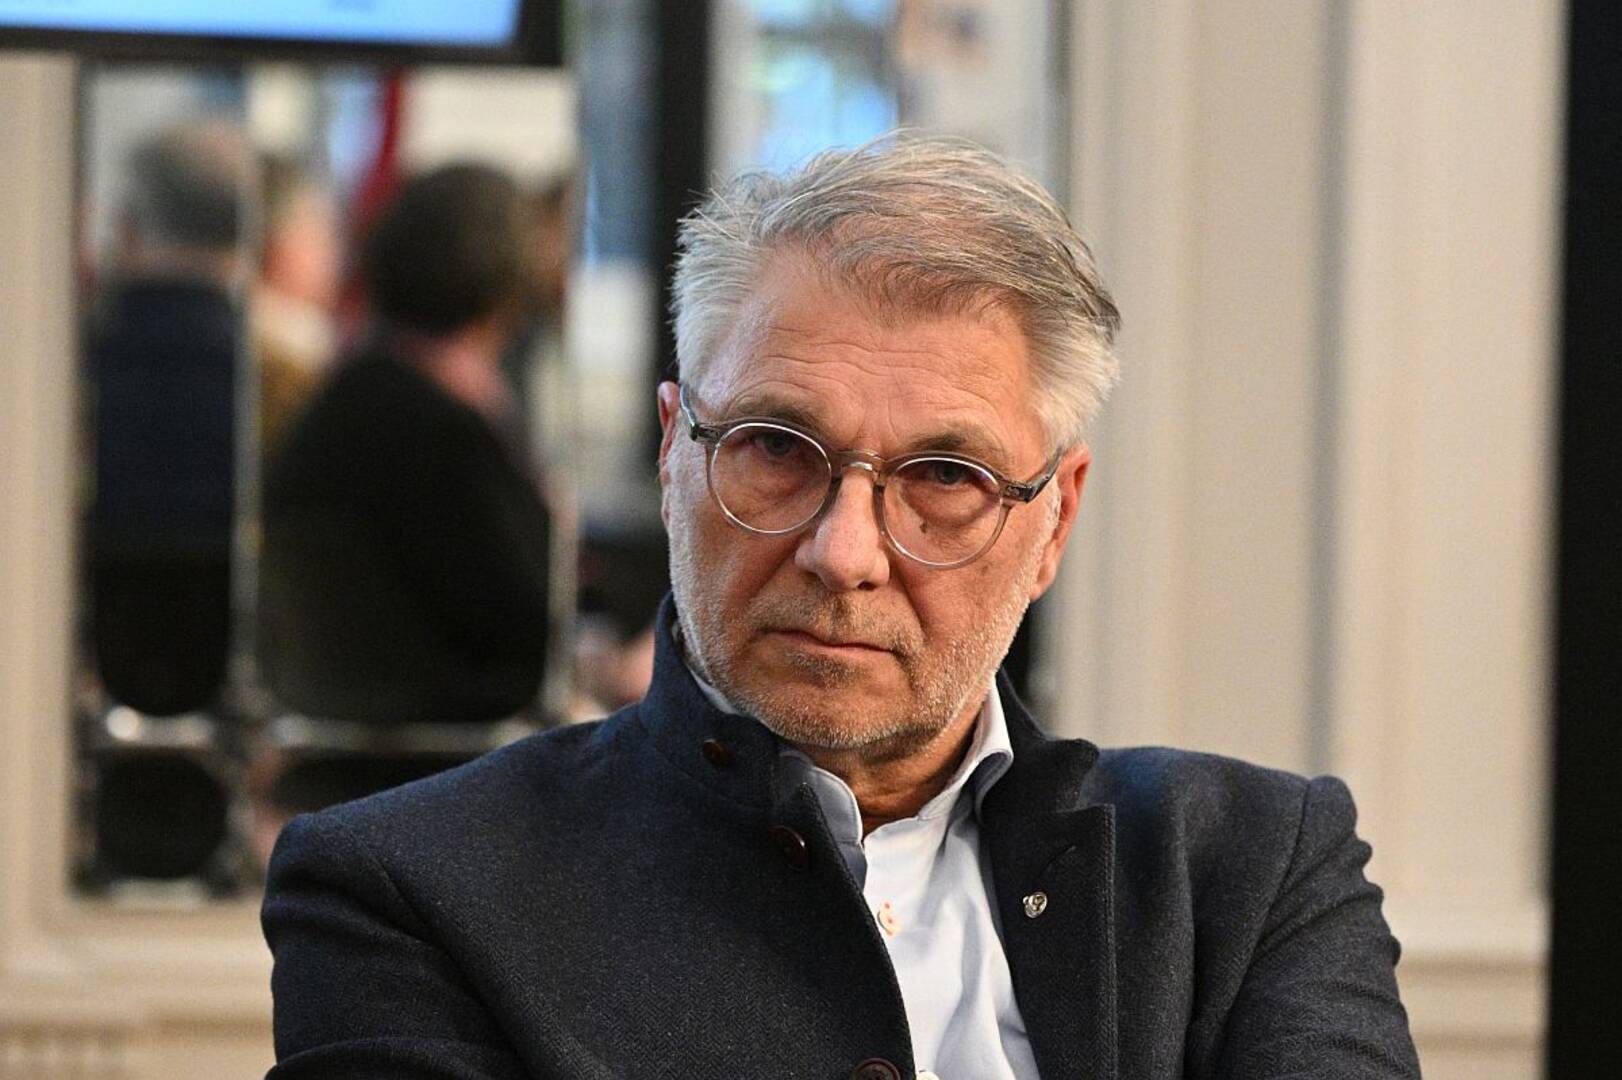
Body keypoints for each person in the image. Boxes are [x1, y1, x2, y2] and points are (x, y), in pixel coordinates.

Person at [263, 135, 1420, 1079]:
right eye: (776, 448)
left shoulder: (1246, 870)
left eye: (945, 477)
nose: (843, 552)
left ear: (1054, 521)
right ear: (672, 454)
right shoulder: (412, 888)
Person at [259, 162, 552, 729]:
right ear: (507, 282)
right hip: (445, 741)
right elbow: (526, 623)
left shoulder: (354, 395)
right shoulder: (436, 432)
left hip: (369, 735)